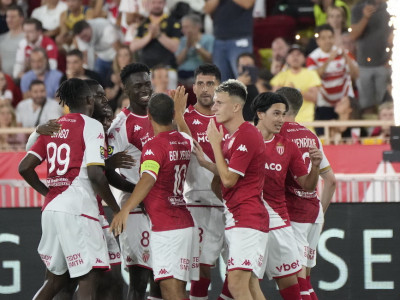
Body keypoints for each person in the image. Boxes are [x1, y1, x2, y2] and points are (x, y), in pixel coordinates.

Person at [18, 78, 121, 300]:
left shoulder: (55, 124)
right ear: (88, 99)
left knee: (57, 280)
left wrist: (49, 193)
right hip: (78, 208)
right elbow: (95, 174)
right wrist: (117, 208)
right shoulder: (90, 125)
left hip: (53, 208)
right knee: (87, 277)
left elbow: (24, 166)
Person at [110, 92, 199, 300]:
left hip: (167, 227)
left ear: (148, 115)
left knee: (171, 291)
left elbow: (148, 179)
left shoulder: (154, 145)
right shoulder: (183, 140)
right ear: (172, 114)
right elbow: (188, 136)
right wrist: (180, 117)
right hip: (184, 222)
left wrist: (125, 209)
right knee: (175, 290)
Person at [194, 79, 269, 300]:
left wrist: (214, 144)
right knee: (252, 287)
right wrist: (206, 163)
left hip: (247, 218)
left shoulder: (246, 134)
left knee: (236, 286)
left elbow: (228, 180)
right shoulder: (233, 137)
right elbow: (227, 174)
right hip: (241, 217)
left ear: (236, 107)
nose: (213, 107)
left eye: (219, 103)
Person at [252, 92, 322, 300]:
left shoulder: (288, 146)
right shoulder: (242, 140)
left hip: (280, 225)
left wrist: (316, 167)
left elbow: (307, 186)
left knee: (293, 286)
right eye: (276, 114)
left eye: (283, 114)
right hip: (249, 224)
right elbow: (227, 180)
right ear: (260, 114)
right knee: (241, 285)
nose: (281, 119)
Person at [276, 86, 337, 300]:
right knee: (306, 282)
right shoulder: (311, 136)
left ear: (280, 107)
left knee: (297, 280)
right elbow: (330, 181)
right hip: (314, 214)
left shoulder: (278, 135)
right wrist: (320, 213)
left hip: (294, 214)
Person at [106, 62, 159, 300]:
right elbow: (106, 170)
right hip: (135, 207)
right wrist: (137, 192)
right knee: (140, 281)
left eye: (147, 82)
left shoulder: (162, 113)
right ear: (126, 89)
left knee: (163, 279)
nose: (144, 89)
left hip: (162, 204)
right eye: (137, 85)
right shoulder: (121, 125)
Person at [182, 63, 225, 300]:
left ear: (219, 86)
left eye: (211, 83)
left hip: (231, 202)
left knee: (241, 268)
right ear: (194, 88)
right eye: (200, 83)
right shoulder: (184, 117)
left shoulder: (230, 117)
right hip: (197, 199)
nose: (205, 88)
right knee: (201, 267)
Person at [306, 24, 358, 135]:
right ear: (318, 40)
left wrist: (347, 58)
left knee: (348, 136)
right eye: (323, 38)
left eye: (330, 37)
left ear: (334, 38)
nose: (328, 41)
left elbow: (356, 74)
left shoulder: (344, 53)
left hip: (344, 103)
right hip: (324, 103)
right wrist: (329, 59)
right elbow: (314, 78)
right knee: (324, 135)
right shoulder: (312, 57)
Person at [350, 0, 391, 115]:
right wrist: (365, 17)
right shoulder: (358, 8)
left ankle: (387, 129)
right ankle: (371, 131)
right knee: (366, 105)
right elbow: (353, 35)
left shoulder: (391, 6)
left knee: (386, 104)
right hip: (364, 65)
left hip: (385, 64)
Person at [204, 0, 255, 81]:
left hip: (240, 38)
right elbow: (207, 9)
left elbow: (248, 3)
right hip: (219, 40)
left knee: (245, 78)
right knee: (222, 81)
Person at [271, 45, 321, 123]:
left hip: (306, 123)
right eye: (292, 55)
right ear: (287, 58)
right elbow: (273, 100)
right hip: (284, 123)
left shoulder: (311, 74)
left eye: (298, 54)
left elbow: (315, 97)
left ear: (304, 58)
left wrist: (296, 91)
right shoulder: (281, 76)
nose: (295, 57)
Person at [130, 0, 181, 70]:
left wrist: (158, 34)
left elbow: (175, 47)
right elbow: (133, 47)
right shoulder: (143, 22)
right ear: (148, 4)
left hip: (167, 67)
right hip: (146, 67)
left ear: (165, 3)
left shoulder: (173, 21)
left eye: (160, 2)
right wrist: (149, 35)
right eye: (153, 2)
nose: (157, 5)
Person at [73, 18, 123, 83]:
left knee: (114, 78)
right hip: (102, 57)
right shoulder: (80, 36)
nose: (84, 39)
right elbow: (85, 56)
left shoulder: (107, 29)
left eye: (85, 36)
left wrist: (118, 69)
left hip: (116, 55)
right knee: (95, 78)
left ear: (90, 28)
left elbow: (120, 51)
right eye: (82, 38)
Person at [176, 14, 214, 84]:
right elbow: (177, 61)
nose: (182, 30)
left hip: (200, 73)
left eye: (186, 27)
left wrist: (195, 45)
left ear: (197, 27)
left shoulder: (209, 39)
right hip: (182, 74)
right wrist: (187, 47)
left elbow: (210, 59)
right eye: (183, 27)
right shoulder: (183, 40)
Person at [106, 45, 134, 111]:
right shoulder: (111, 73)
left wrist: (121, 82)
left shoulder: (135, 73)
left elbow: (133, 94)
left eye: (126, 55)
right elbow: (108, 96)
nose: (123, 58)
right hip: (114, 106)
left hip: (129, 104)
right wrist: (116, 85)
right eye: (120, 55)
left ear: (131, 58)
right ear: (117, 58)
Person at [0, 4, 24, 77]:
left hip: (20, 78)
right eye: (8, 17)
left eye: (13, 17)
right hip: (4, 80)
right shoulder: (1, 38)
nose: (9, 20)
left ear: (21, 18)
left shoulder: (26, 38)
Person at [236, 52, 259, 122]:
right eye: (243, 66)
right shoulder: (232, 85)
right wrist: (238, 84)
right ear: (238, 68)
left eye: (249, 66)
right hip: (240, 123)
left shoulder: (261, 81)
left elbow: (268, 102)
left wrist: (256, 81)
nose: (246, 69)